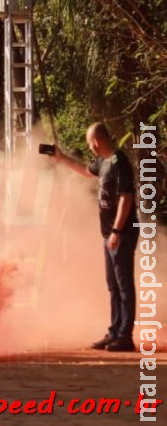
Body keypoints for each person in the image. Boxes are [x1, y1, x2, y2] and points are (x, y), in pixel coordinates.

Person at [52, 122, 139, 352]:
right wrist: (61, 159)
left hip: (121, 233)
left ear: (97, 141)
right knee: (112, 284)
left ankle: (125, 335)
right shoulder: (103, 162)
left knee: (123, 284)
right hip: (108, 234)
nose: (89, 147)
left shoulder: (120, 163)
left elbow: (126, 199)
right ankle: (114, 331)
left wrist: (117, 231)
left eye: (90, 143)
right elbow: (85, 171)